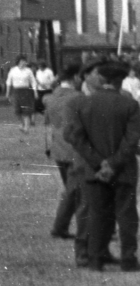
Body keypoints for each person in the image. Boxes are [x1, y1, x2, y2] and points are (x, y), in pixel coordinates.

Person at [66, 62, 140, 273]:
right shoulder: (130, 105)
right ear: (119, 81)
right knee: (126, 215)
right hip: (123, 169)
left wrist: (99, 162)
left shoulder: (84, 104)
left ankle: (95, 258)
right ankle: (128, 258)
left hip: (93, 169)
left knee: (97, 215)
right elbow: (132, 140)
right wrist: (113, 162)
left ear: (102, 80)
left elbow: (77, 138)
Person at [43, 65, 85, 244]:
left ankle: (61, 227)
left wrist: (48, 147)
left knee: (71, 189)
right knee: (76, 190)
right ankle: (62, 227)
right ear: (75, 77)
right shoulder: (79, 98)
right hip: (75, 148)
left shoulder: (50, 98)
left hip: (58, 148)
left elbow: (47, 126)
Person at [5, 56, 37, 133]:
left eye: (25, 61)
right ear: (18, 61)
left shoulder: (28, 71)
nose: (24, 63)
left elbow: (33, 82)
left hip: (26, 92)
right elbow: (9, 82)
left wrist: (35, 92)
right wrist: (7, 93)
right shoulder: (13, 70)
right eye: (22, 61)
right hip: (16, 91)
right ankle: (22, 123)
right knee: (17, 110)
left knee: (26, 110)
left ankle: (26, 127)